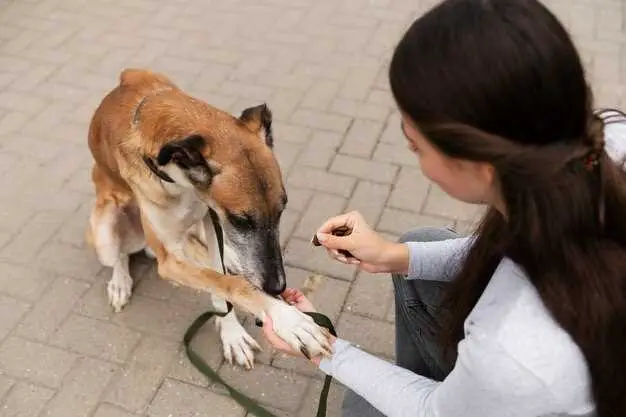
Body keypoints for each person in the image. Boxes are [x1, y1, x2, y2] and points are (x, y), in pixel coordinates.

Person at [261, 0, 626, 416]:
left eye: (415, 145)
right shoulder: (602, 141)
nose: (414, 157)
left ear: (480, 166)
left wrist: (322, 346)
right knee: (421, 245)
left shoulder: (518, 353)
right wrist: (393, 257)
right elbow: (504, 256)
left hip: (515, 387)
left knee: (363, 406)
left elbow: (430, 411)